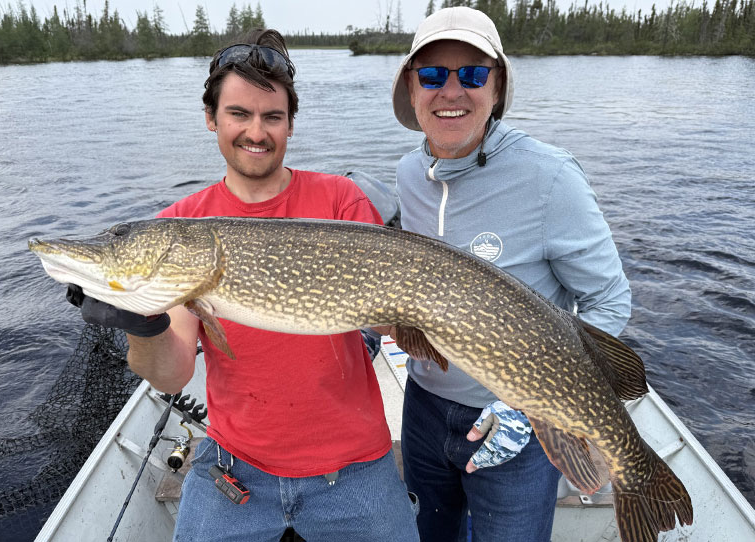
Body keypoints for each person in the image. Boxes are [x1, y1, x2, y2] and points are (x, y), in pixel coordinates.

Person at [75, 29, 419, 542]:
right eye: (239, 114)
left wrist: (407, 314)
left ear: (289, 125)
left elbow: (397, 320)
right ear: (212, 118)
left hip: (353, 465)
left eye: (272, 117)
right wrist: (142, 326)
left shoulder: (340, 200)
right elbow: (172, 376)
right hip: (234, 466)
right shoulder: (182, 226)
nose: (256, 132)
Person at [390, 7, 632, 542]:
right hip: (424, 407)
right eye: (432, 75)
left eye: (472, 74)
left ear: (496, 88)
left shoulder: (550, 177)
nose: (451, 91)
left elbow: (609, 301)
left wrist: (531, 404)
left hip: (516, 422)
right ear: (412, 90)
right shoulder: (409, 173)